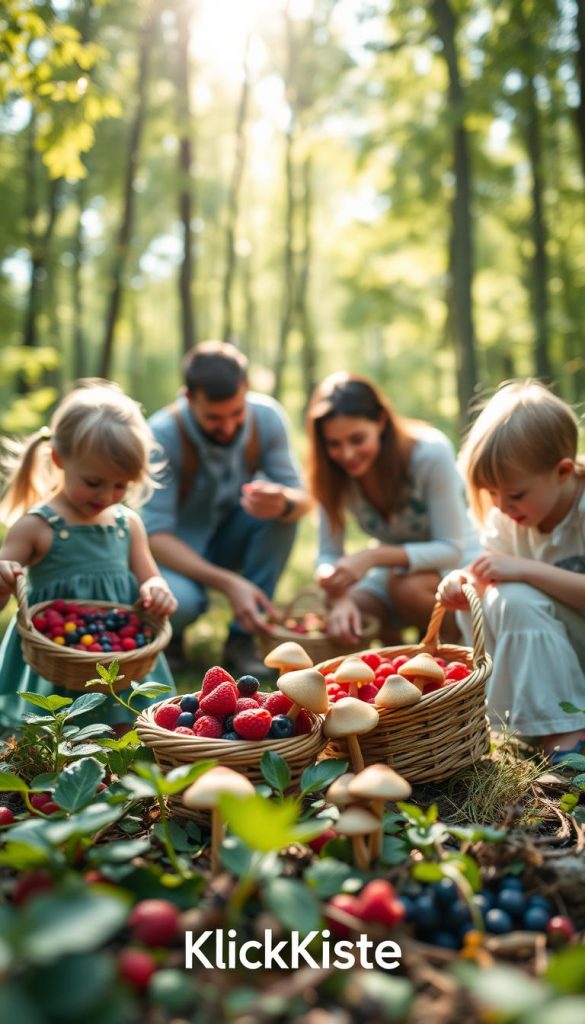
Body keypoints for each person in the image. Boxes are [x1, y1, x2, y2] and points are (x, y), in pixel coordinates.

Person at [0, 379, 177, 728]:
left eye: (121, 485)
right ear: (58, 459)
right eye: (94, 482)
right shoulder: (37, 526)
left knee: (127, 720)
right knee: (55, 726)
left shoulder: (129, 525)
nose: (108, 495)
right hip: (55, 654)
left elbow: (151, 576)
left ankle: (120, 740)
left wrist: (158, 590)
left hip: (119, 654)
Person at [142, 340, 310, 679]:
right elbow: (154, 536)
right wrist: (230, 583)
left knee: (282, 519)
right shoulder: (161, 435)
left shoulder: (267, 418)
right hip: (174, 557)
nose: (229, 427)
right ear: (188, 399)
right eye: (214, 418)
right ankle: (168, 640)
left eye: (237, 413)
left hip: (230, 538)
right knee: (182, 604)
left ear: (246, 391)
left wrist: (284, 501)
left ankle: (243, 639)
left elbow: (305, 498)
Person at [438, 380, 585, 763]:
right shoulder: (509, 516)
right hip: (557, 648)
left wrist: (525, 569)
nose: (502, 506)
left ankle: (570, 735)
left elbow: (514, 573)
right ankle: (539, 723)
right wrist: (464, 583)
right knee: (504, 595)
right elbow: (491, 573)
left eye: (515, 494)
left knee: (516, 596)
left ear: (564, 471)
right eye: (492, 493)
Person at [306, 372, 472, 646]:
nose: (346, 454)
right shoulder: (331, 473)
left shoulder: (429, 453)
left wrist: (372, 557)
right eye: (334, 444)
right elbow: (327, 553)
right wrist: (336, 592)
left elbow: (451, 548)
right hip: (395, 572)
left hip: (456, 567)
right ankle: (394, 668)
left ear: (381, 421)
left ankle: (449, 652)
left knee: (406, 587)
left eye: (357, 439)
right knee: (355, 611)